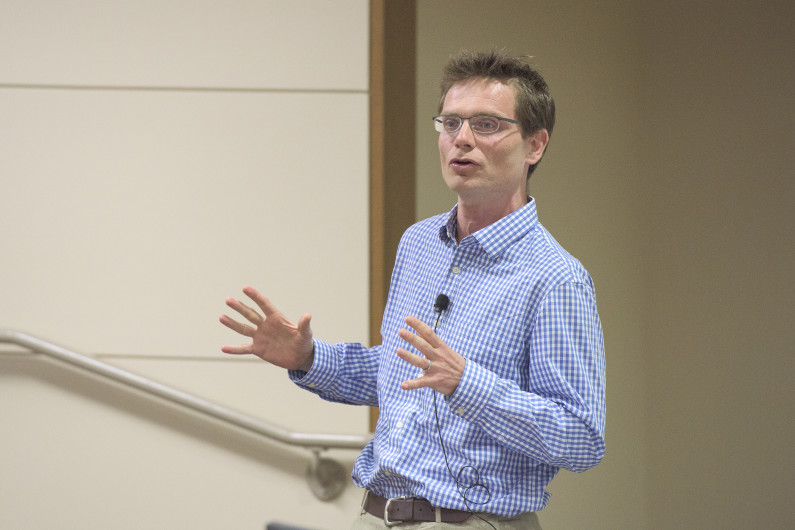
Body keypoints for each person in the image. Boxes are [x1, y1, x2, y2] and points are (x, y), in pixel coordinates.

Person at [220, 49, 606, 529]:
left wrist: (469, 384)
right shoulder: (420, 244)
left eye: (486, 125)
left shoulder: (555, 278)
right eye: (450, 123)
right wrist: (309, 358)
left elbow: (581, 438)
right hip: (376, 513)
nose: (461, 140)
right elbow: (401, 374)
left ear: (535, 145)